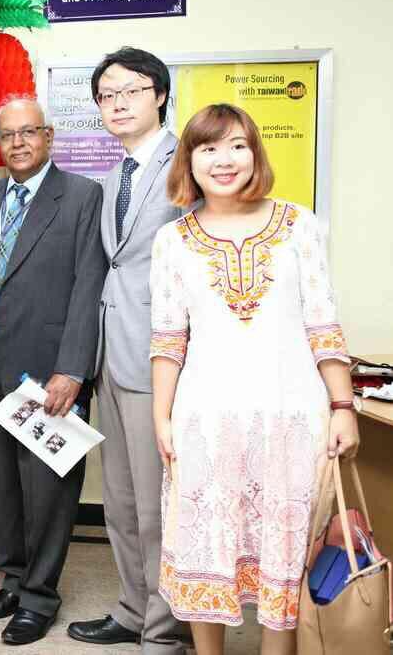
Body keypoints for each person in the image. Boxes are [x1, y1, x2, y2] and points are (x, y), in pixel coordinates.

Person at [149, 104, 358, 654]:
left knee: (284, 553)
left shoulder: (298, 224)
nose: (224, 160)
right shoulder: (173, 239)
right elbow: (168, 338)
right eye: (208, 148)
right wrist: (161, 418)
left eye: (237, 146)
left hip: (291, 417)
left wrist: (343, 407)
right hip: (205, 420)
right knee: (205, 546)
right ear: (189, 160)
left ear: (255, 153)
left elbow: (323, 322)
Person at [0, 96, 105, 646]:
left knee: (47, 487)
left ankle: (39, 597)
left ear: (49, 136)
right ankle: (13, 581)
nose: (17, 143)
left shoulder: (81, 195)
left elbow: (89, 285)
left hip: (48, 368)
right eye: (8, 134)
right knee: (5, 483)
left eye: (28, 132)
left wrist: (73, 369)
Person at [68, 48, 187, 652]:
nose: (117, 103)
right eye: (106, 95)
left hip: (160, 359)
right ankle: (133, 609)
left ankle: (167, 629)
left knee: (158, 506)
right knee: (119, 500)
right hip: (111, 356)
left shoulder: (187, 164)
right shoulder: (113, 177)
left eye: (131, 91)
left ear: (160, 95)